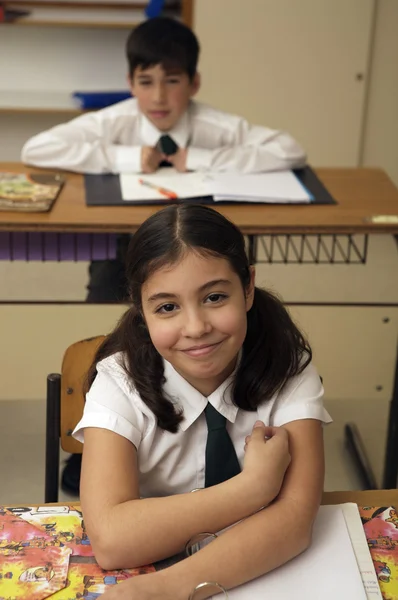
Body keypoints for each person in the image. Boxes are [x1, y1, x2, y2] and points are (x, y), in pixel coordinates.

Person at [21, 16, 306, 496]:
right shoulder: (117, 121)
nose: (157, 97)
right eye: (145, 82)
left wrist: (201, 159)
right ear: (131, 82)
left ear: (193, 83)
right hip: (127, 248)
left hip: (199, 253)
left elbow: (289, 149)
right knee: (119, 337)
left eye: (172, 82)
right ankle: (107, 439)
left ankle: (205, 435)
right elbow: (38, 146)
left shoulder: (214, 125)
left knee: (198, 329)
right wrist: (129, 159)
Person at [73, 204, 331, 599]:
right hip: (155, 561)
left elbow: (295, 521)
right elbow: (111, 540)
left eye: (214, 297)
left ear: (247, 288)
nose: (196, 328)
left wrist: (166, 590)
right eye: (167, 307)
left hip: (249, 576)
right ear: (141, 310)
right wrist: (254, 488)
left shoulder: (287, 368)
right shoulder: (118, 382)